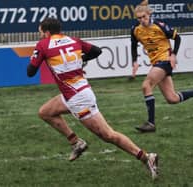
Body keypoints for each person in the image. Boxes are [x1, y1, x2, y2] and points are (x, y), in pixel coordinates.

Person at [27, 17, 158, 179]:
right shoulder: (73, 40)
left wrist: (38, 56)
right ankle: (76, 142)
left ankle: (147, 157)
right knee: (45, 112)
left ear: (46, 32)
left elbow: (30, 71)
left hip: (79, 99)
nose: (40, 35)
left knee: (108, 135)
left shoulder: (43, 45)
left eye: (40, 32)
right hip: (75, 93)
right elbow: (97, 51)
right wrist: (80, 59)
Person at [131, 0, 193, 133]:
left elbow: (177, 38)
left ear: (149, 14)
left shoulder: (159, 25)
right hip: (156, 62)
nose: (142, 20)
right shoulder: (136, 30)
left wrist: (173, 55)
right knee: (172, 98)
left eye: (144, 17)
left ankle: (151, 123)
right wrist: (134, 61)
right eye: (139, 18)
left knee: (146, 85)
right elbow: (133, 44)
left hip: (165, 60)